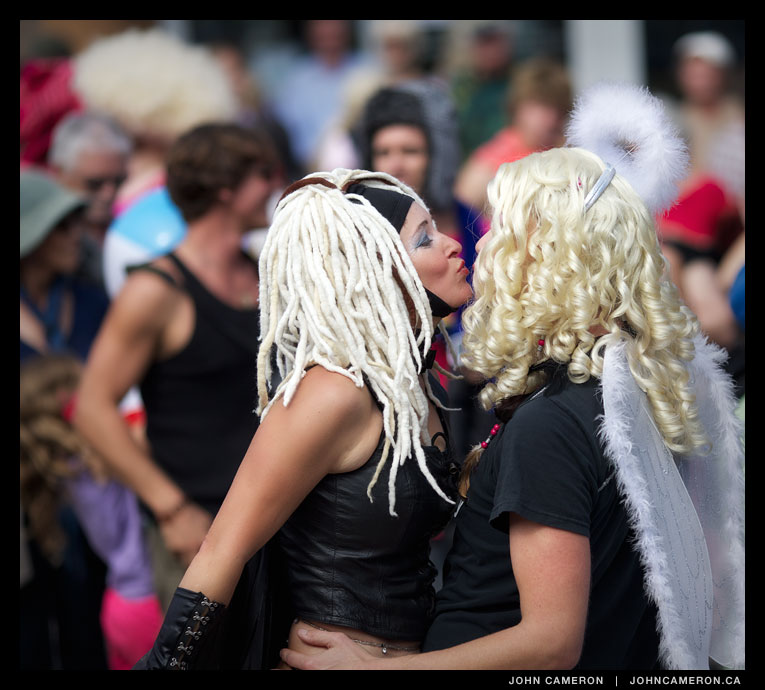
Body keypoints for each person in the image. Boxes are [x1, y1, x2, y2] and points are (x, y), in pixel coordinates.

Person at [280, 84, 745, 671]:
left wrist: (371, 671)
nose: (482, 244)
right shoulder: (625, 386)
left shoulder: (554, 424)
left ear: (544, 258)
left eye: (503, 230)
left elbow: (551, 643)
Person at [133, 167, 473, 670]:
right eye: (423, 238)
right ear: (375, 269)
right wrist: (165, 666)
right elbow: (222, 551)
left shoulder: (413, 385)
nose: (451, 244)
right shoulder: (335, 392)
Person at [73, 123, 280, 609]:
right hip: (202, 533)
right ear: (225, 188)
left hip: (278, 525)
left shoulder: (264, 273)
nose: (274, 186)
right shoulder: (156, 290)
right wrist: (171, 509)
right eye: (262, 174)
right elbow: (91, 408)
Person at [20, 353, 163, 670]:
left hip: (119, 606)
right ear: (67, 398)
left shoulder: (67, 472)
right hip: (148, 602)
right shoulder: (102, 458)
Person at [453, 57, 572, 218]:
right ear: (516, 108)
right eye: (540, 107)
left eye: (558, 109)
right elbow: (459, 219)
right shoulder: (489, 163)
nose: (551, 118)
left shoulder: (571, 156)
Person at [47, 110, 132, 288]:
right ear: (59, 172)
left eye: (119, 181)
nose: (109, 194)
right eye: (95, 183)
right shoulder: (41, 239)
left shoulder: (130, 229)